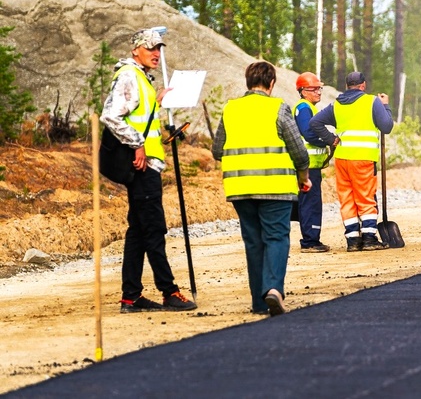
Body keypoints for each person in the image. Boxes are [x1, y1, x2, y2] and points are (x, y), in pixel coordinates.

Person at [100, 28, 197, 313]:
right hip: (142, 166)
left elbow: (136, 112)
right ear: (135, 50)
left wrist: (156, 99)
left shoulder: (140, 78)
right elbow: (111, 115)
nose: (156, 53)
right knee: (153, 230)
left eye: (159, 49)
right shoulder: (129, 75)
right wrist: (138, 144)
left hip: (148, 165)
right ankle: (169, 292)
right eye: (150, 48)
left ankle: (131, 297)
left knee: (139, 232)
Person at [211, 61, 309, 316]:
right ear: (272, 83)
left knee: (253, 241)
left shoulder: (230, 109)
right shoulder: (278, 108)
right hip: (275, 186)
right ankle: (273, 289)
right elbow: (298, 149)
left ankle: (257, 302)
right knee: (276, 236)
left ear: (248, 82)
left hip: (240, 187)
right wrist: (303, 175)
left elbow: (217, 150)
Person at [309, 71, 393, 251]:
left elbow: (315, 122)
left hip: (342, 159)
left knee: (347, 198)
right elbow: (386, 126)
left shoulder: (337, 105)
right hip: (363, 158)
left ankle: (353, 240)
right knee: (365, 197)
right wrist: (386, 106)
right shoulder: (372, 101)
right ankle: (369, 238)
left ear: (347, 86)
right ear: (363, 86)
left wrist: (331, 139)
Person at [293, 72, 330, 253]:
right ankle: (310, 242)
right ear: (302, 91)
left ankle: (311, 239)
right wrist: (328, 140)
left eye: (319, 88)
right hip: (308, 166)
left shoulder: (309, 108)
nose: (318, 92)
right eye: (313, 89)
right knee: (310, 203)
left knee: (309, 202)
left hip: (311, 165)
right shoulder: (304, 108)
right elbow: (309, 133)